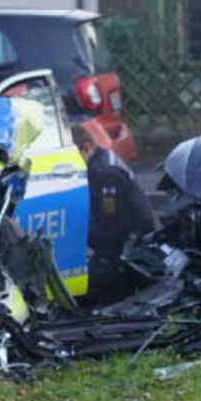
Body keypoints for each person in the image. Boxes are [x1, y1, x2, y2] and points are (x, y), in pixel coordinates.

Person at [70, 123, 159, 300]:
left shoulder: (106, 174)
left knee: (79, 289)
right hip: (123, 239)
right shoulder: (101, 159)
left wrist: (76, 236)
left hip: (131, 247)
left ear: (86, 148)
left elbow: (109, 228)